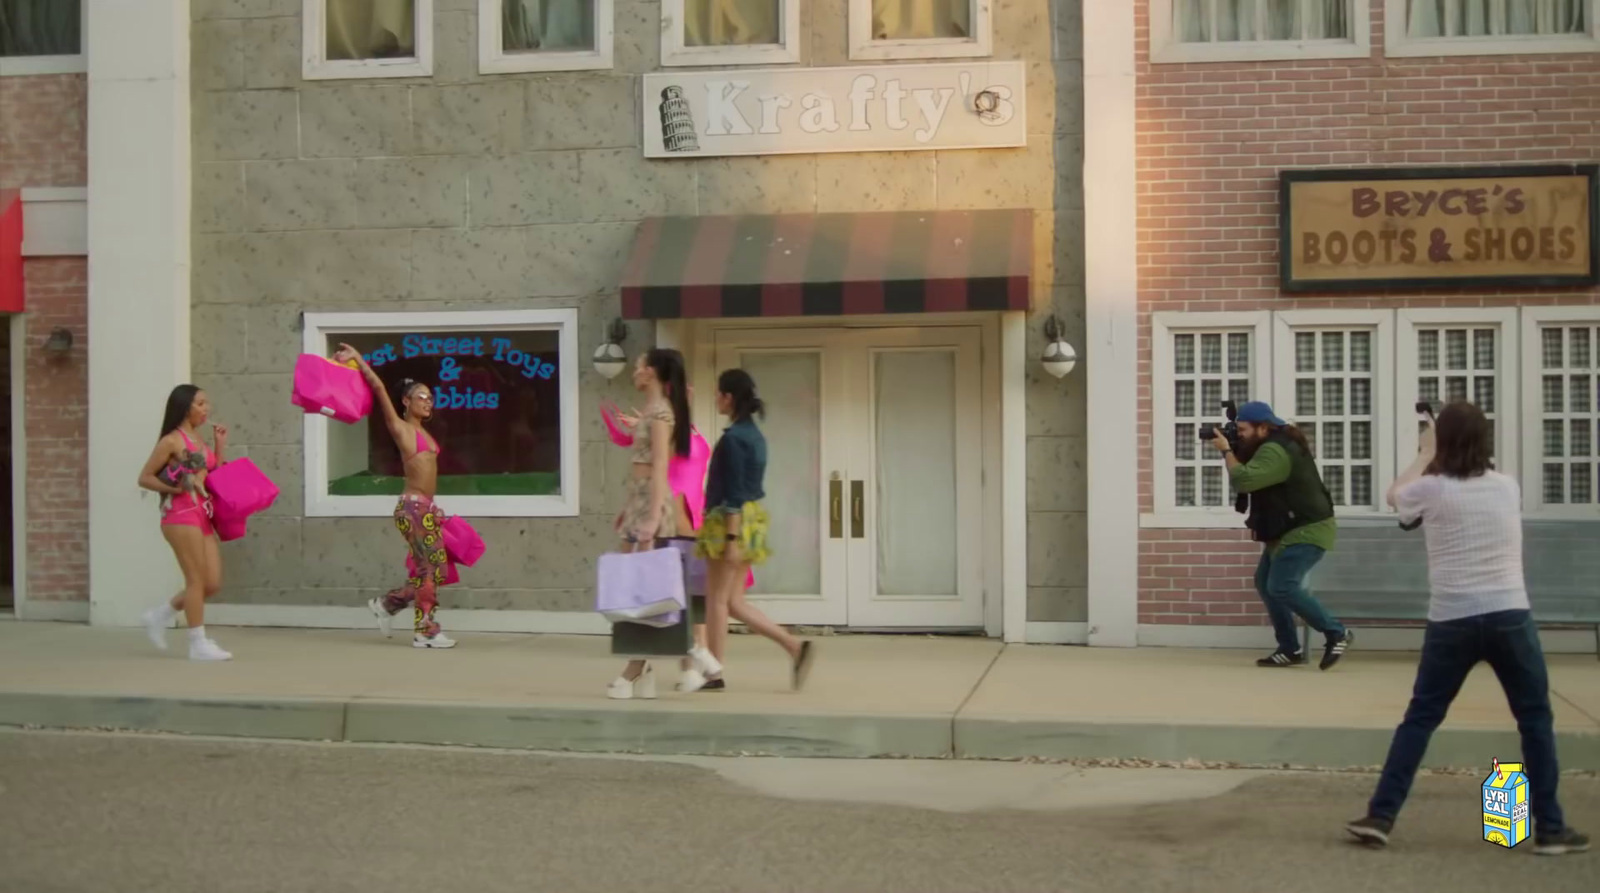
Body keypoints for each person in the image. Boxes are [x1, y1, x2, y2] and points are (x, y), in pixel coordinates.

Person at [1345, 402, 1589, 854]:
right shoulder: (1505, 488)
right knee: (1534, 719)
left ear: (1442, 441)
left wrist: (1423, 453)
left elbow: (1395, 497)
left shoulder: (1431, 489)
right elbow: (1464, 483)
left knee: (1420, 718)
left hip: (1451, 620)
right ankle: (1551, 829)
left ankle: (1381, 816)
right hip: (1509, 615)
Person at [1211, 400, 1353, 669]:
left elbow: (1245, 479)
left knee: (1281, 586)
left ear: (1262, 428)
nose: (1238, 434)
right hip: (1287, 529)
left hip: (1307, 529)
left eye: (1242, 429)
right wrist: (1234, 446)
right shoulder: (1269, 444)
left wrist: (1227, 451)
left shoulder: (1276, 451)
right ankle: (1290, 648)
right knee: (1266, 583)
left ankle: (1337, 632)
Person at [697, 368, 814, 691]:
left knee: (717, 601)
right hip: (753, 519)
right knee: (733, 601)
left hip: (729, 521)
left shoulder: (734, 439)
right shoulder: (755, 436)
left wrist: (731, 538)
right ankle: (793, 647)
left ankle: (714, 672)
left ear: (728, 398)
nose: (716, 399)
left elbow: (733, 492)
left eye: (719, 394)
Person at [606, 348, 711, 699]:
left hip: (653, 505)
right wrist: (629, 508)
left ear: (651, 372)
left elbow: (661, 467)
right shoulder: (654, 411)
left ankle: (643, 667)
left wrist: (652, 517)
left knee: (647, 591)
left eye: (638, 366)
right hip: (640, 500)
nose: (634, 372)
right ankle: (671, 663)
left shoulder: (662, 413)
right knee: (638, 590)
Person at [335, 344, 455, 649]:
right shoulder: (400, 428)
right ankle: (425, 631)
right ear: (406, 401)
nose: (429, 402)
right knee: (429, 569)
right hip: (412, 508)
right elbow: (377, 386)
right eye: (421, 397)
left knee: (437, 570)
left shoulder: (427, 433)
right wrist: (358, 358)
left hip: (425, 508)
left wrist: (434, 508)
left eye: (431, 397)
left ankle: (388, 604)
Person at [137, 385, 232, 661]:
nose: (206, 409)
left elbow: (210, 475)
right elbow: (144, 478)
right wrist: (178, 490)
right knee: (196, 580)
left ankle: (159, 615)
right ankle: (197, 643)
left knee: (211, 583)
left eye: (206, 403)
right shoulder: (171, 441)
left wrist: (219, 447)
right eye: (200, 404)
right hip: (180, 515)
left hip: (203, 513)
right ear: (184, 407)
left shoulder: (198, 439)